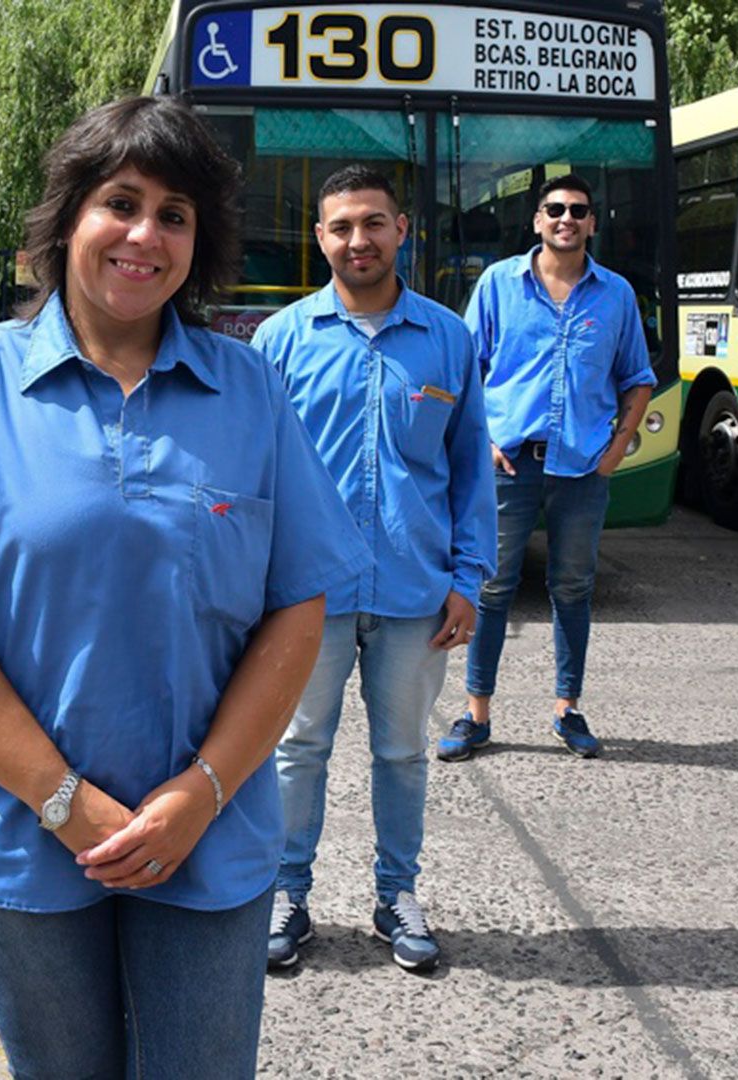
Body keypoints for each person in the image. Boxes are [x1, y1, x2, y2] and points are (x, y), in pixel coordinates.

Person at [0, 98, 371, 1078]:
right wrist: (63, 800)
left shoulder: (248, 391)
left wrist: (204, 792)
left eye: (175, 214)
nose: (144, 234)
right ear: (66, 219)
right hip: (17, 833)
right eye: (120, 203)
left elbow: (300, 601)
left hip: (206, 836)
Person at [251, 165, 494, 972]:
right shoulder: (281, 342)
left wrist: (469, 579)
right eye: (342, 226)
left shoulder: (448, 339)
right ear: (320, 237)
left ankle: (397, 894)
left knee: (400, 753)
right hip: (304, 597)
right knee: (297, 747)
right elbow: (256, 473)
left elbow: (469, 472)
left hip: (412, 593)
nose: (359, 240)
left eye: (374, 223)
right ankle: (288, 892)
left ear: (402, 231)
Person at [437, 174, 656, 763]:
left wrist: (617, 448)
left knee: (573, 589)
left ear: (592, 223)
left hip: (582, 469)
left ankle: (567, 708)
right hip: (507, 465)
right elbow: (464, 369)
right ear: (537, 220)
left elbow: (637, 377)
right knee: (492, 589)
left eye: (578, 211)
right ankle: (475, 713)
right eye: (555, 209)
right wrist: (480, 446)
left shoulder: (616, 296)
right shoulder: (498, 285)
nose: (566, 218)